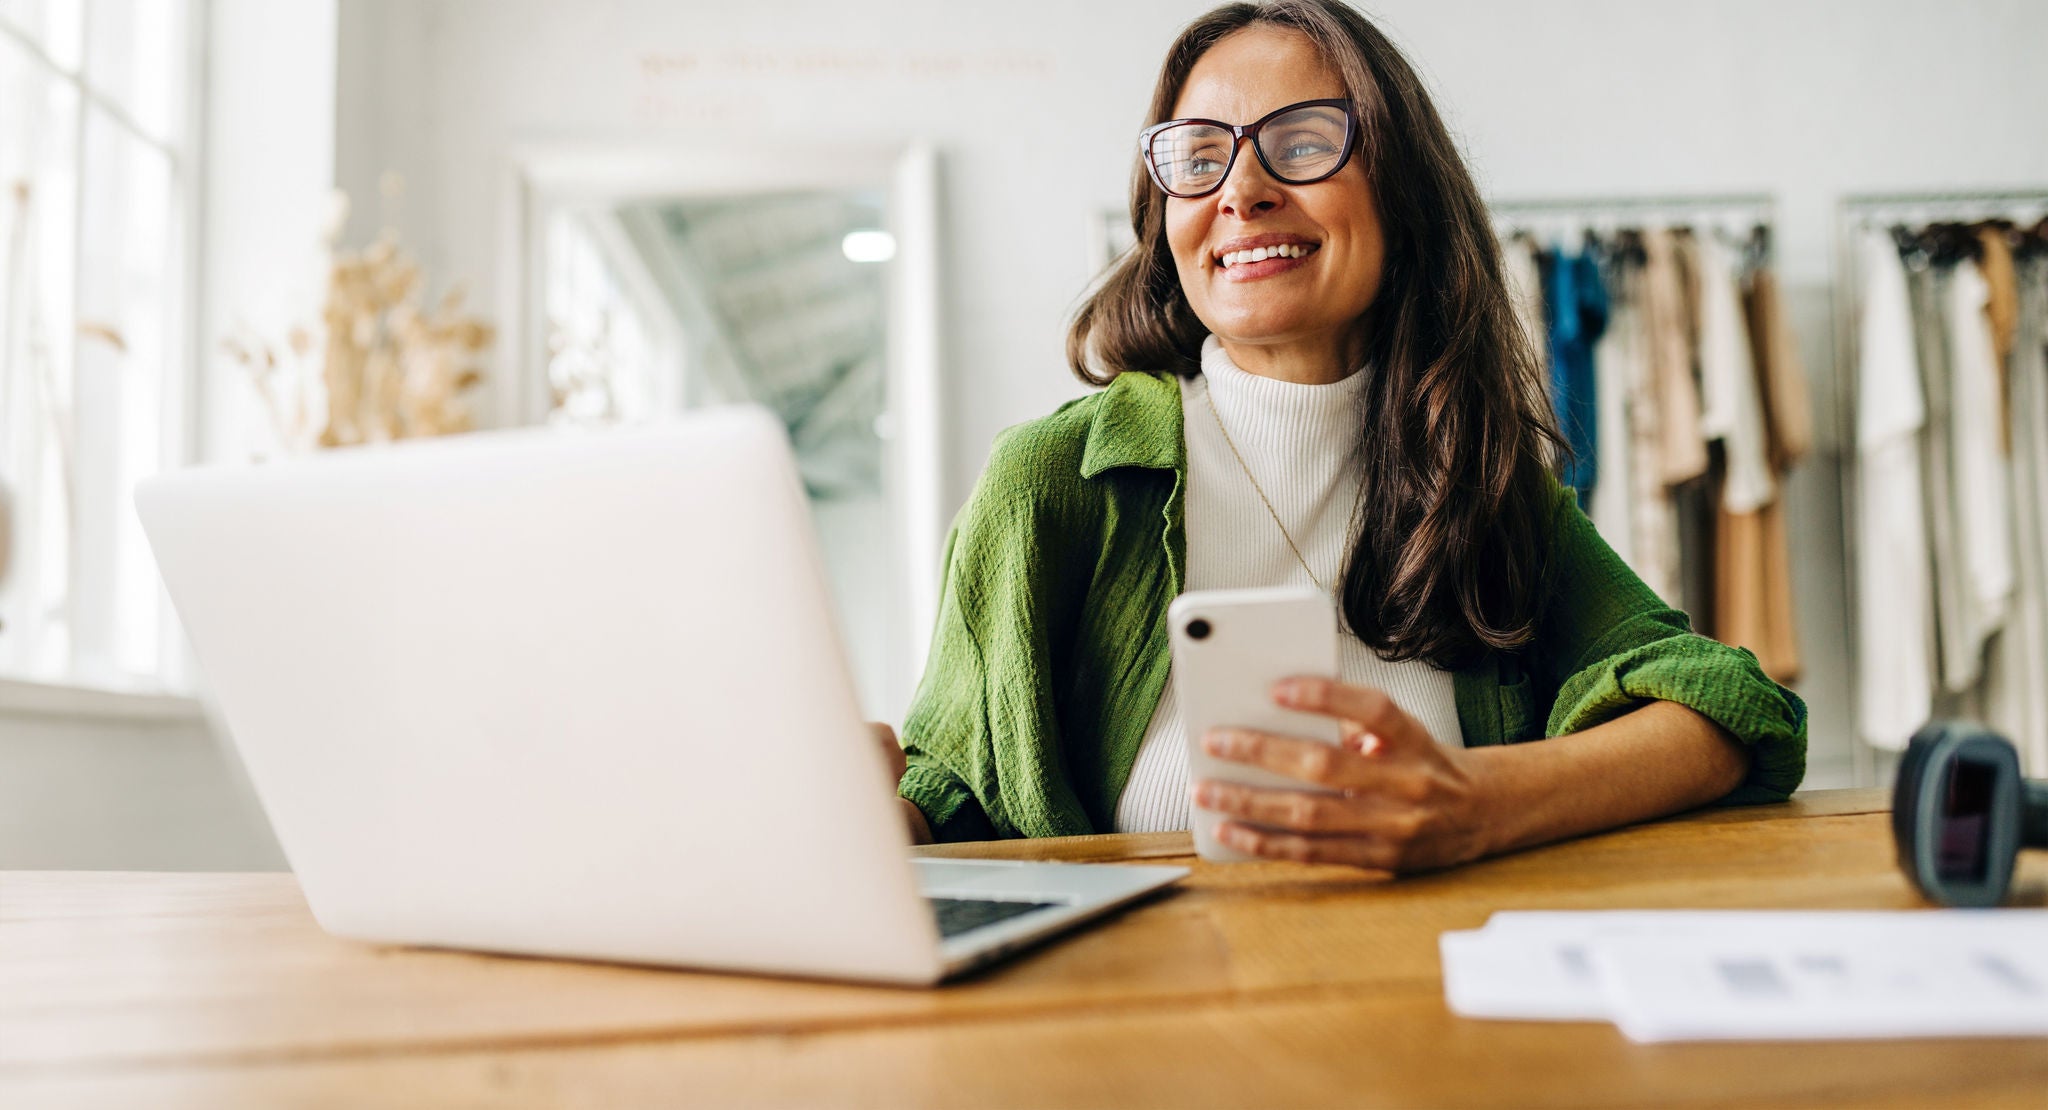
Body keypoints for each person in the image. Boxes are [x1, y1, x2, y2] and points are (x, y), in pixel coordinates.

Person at [873, 0, 1806, 870]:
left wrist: (1476, 802)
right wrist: (874, 810)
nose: (1242, 190)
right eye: (1198, 156)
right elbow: (956, 793)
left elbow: (1729, 710)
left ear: (1402, 192)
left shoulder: (1476, 481)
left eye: (1304, 142)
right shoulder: (1052, 484)